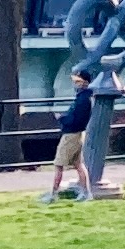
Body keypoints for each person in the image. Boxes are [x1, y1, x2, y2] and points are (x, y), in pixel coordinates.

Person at [47, 68, 98, 201]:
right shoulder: (85, 97)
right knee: (78, 165)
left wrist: (62, 118)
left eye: (78, 81)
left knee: (59, 165)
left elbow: (77, 119)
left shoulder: (83, 99)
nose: (75, 83)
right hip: (77, 134)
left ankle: (53, 194)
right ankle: (86, 193)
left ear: (85, 82)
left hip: (71, 134)